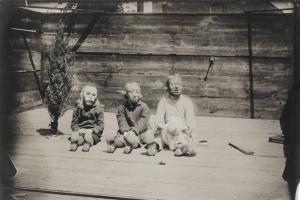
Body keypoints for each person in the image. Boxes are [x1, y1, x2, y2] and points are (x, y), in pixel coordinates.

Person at [148, 74, 196, 156]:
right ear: (168, 87)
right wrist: (167, 127)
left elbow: (190, 122)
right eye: (173, 84)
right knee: (159, 137)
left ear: (182, 87)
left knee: (183, 138)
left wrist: (180, 128)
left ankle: (183, 148)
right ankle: (154, 147)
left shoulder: (187, 102)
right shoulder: (163, 101)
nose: (176, 87)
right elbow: (159, 119)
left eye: (179, 85)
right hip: (167, 130)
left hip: (181, 131)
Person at [106, 82, 156, 155]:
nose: (134, 94)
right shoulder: (122, 108)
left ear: (140, 95)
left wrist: (134, 131)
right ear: (126, 94)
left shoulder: (144, 107)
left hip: (141, 131)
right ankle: (114, 145)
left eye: (137, 92)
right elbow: (121, 121)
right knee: (120, 138)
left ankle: (149, 147)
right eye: (131, 92)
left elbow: (143, 121)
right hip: (127, 131)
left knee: (146, 138)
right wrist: (125, 131)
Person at [69, 85, 104, 152]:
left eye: (93, 95)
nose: (91, 97)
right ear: (82, 95)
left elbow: (101, 125)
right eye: (88, 94)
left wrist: (92, 130)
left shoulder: (99, 108)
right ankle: (75, 142)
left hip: (93, 132)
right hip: (81, 130)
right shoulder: (78, 108)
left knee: (91, 137)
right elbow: (74, 123)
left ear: (96, 98)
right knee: (78, 136)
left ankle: (88, 143)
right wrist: (78, 130)